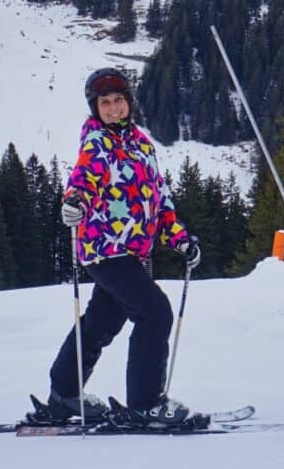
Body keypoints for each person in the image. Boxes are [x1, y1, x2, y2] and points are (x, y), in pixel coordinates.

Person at [48, 67, 201, 427]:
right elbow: (83, 180)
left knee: (102, 322)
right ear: (95, 108)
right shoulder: (97, 143)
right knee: (155, 312)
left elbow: (159, 202)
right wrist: (75, 203)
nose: (114, 108)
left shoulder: (142, 145)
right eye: (105, 103)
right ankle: (145, 403)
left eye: (119, 100)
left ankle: (63, 393)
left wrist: (181, 240)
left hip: (132, 252)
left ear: (129, 103)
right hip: (104, 249)